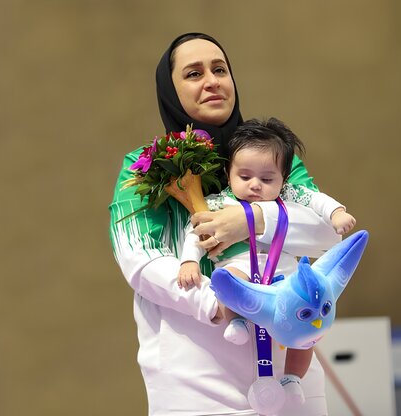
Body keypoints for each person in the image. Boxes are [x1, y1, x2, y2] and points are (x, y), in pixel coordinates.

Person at [109, 33, 341, 415]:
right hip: (195, 377)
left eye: (220, 69)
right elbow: (138, 258)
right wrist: (217, 303)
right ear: (171, 89)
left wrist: (251, 220)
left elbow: (327, 233)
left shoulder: (271, 155)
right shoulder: (145, 166)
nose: (212, 80)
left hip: (290, 371)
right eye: (194, 73)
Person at [178, 117, 356, 405]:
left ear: (284, 178)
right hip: (241, 266)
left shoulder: (289, 196)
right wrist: (189, 262)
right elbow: (195, 231)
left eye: (267, 179)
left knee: (305, 333)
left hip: (284, 277)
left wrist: (337, 214)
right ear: (228, 171)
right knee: (230, 282)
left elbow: (318, 200)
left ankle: (293, 378)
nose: (255, 186)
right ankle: (236, 322)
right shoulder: (218, 203)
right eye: (244, 177)